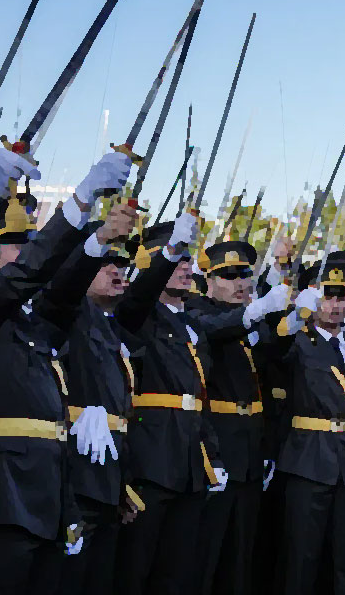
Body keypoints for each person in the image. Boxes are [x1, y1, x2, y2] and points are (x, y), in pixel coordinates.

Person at [0, 149, 131, 593]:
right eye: (18, 249)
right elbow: (26, 275)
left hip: (47, 494)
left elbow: (61, 293)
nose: (32, 258)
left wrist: (96, 237)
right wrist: (78, 199)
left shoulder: (29, 320)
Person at [114, 213, 230, 595]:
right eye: (177, 259)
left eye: (187, 258)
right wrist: (165, 253)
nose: (186, 267)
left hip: (189, 461)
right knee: (135, 569)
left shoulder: (192, 326)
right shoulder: (138, 315)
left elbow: (200, 398)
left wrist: (211, 457)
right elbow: (134, 299)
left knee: (177, 572)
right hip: (151, 458)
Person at [272, 260, 345, 595]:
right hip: (309, 458)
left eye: (340, 297)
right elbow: (271, 350)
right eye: (326, 297)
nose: (334, 306)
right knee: (302, 557)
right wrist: (294, 317)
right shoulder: (297, 340)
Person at [188, 241, 290, 595]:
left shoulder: (251, 318)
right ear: (209, 280)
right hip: (216, 446)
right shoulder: (198, 310)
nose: (240, 282)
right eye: (228, 276)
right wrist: (255, 311)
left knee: (240, 554)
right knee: (205, 552)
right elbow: (213, 329)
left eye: (245, 274)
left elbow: (273, 361)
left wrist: (286, 319)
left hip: (249, 448)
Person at [58, 238, 143, 595]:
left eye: (121, 267)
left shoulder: (111, 326)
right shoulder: (71, 314)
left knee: (98, 579)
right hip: (76, 469)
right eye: (103, 265)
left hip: (109, 473)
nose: (115, 271)